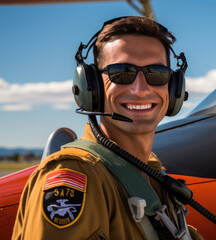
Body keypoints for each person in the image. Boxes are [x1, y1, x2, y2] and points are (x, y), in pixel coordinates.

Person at [12, 16, 202, 240]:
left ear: (173, 89)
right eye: (121, 73)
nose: (140, 89)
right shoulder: (77, 174)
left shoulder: (151, 173)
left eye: (157, 74)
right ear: (91, 88)